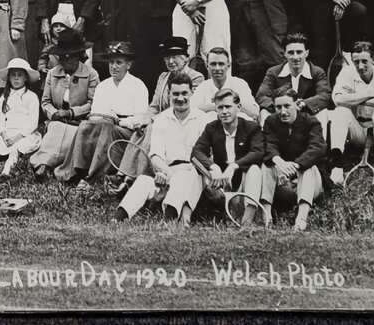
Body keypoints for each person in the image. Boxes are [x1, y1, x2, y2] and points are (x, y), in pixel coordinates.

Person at [114, 73, 211, 225]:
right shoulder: (161, 120)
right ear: (168, 95)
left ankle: (169, 220)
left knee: (182, 177)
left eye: (185, 93)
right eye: (176, 94)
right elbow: (156, 156)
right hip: (168, 172)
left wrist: (173, 173)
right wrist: (165, 173)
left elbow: (203, 158)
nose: (180, 98)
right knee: (143, 180)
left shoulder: (202, 119)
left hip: (194, 175)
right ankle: (119, 218)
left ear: (191, 93)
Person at [56, 41, 148, 187]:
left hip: (127, 131)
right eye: (111, 62)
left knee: (107, 127)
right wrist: (103, 117)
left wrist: (119, 121)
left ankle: (93, 176)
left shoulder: (138, 86)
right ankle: (76, 171)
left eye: (119, 62)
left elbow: (142, 118)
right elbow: (94, 113)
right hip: (103, 123)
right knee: (85, 125)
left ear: (128, 65)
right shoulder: (103, 86)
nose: (114, 66)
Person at [321, 41, 374, 185]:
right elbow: (338, 99)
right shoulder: (346, 72)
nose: (360, 66)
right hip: (357, 130)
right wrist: (368, 96)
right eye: (356, 62)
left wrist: (359, 100)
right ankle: (337, 166)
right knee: (340, 112)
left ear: (373, 60)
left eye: (365, 61)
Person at [28, 29, 100, 179]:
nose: (66, 62)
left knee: (72, 135)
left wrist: (71, 113)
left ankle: (53, 165)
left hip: (80, 121)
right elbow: (46, 101)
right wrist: (53, 113)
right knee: (55, 130)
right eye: (62, 58)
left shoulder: (91, 74)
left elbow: (92, 103)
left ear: (79, 56)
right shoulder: (52, 73)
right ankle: (43, 165)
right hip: (57, 119)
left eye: (71, 57)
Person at [190, 88, 265, 227]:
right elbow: (196, 152)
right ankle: (187, 218)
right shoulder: (212, 128)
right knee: (197, 172)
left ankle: (247, 221)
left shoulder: (251, 127)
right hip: (221, 187)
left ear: (238, 107)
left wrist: (234, 166)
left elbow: (258, 152)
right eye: (220, 108)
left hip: (243, 184)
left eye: (228, 106)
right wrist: (214, 167)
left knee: (254, 169)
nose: (224, 111)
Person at [261, 86, 327, 230]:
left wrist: (296, 166)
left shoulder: (311, 122)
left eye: (287, 106)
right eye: (278, 107)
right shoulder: (271, 122)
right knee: (267, 166)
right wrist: (280, 163)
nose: (283, 112)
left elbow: (317, 148)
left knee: (309, 167)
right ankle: (266, 215)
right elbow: (268, 145)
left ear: (297, 105)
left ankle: (301, 218)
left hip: (310, 183)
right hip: (282, 182)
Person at [0, 58, 42, 177]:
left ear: (26, 78)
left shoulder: (31, 97)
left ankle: (6, 171)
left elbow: (33, 122)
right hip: (7, 133)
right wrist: (4, 135)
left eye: (20, 75)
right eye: (13, 75)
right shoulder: (4, 97)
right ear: (8, 78)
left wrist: (17, 137)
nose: (16, 78)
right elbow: (0, 119)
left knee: (15, 150)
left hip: (23, 134)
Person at [255, 33, 333, 117]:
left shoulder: (316, 72)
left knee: (322, 113)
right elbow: (261, 96)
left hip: (307, 116)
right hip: (282, 115)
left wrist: (303, 103)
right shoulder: (274, 72)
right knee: (264, 113)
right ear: (285, 54)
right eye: (291, 53)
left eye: (299, 52)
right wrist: (282, 105)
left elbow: (325, 95)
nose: (295, 57)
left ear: (307, 53)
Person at [190, 47, 260, 123]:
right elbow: (192, 110)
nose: (217, 68)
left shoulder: (239, 84)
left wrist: (211, 106)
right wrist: (218, 106)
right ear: (207, 66)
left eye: (221, 64)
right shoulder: (203, 86)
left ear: (228, 65)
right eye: (213, 64)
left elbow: (254, 112)